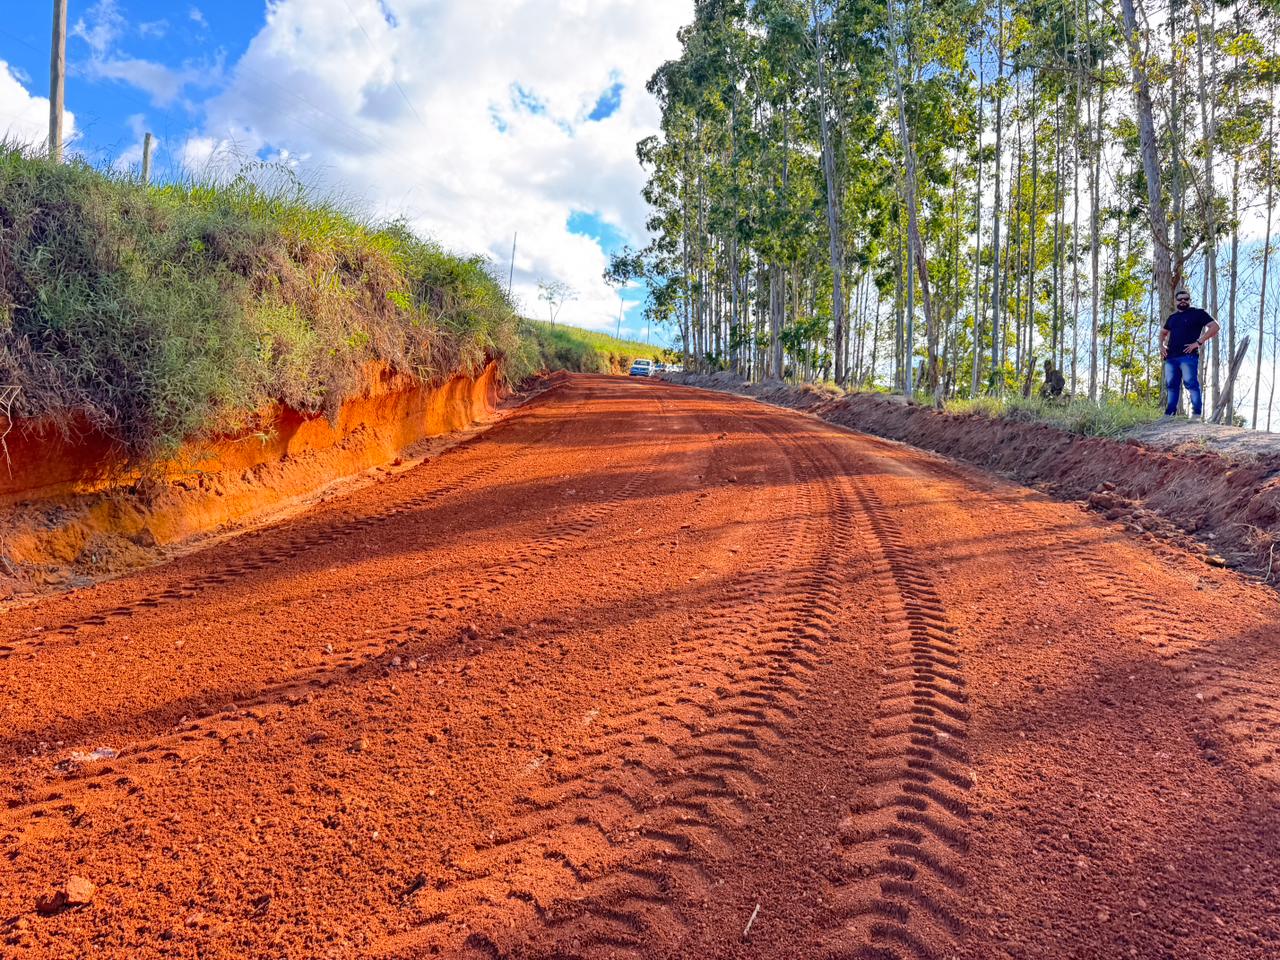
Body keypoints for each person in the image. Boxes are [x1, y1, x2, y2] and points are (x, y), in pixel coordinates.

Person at [1160, 288, 1219, 417]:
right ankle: (1169, 414)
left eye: (1186, 299)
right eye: (1180, 299)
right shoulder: (1172, 318)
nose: (1183, 301)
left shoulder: (1198, 313)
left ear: (1189, 300)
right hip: (1170, 357)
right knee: (1171, 385)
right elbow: (1163, 332)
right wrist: (1162, 345)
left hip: (1188, 356)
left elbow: (1215, 327)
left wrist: (1199, 342)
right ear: (1175, 301)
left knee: (1191, 384)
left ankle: (1196, 414)